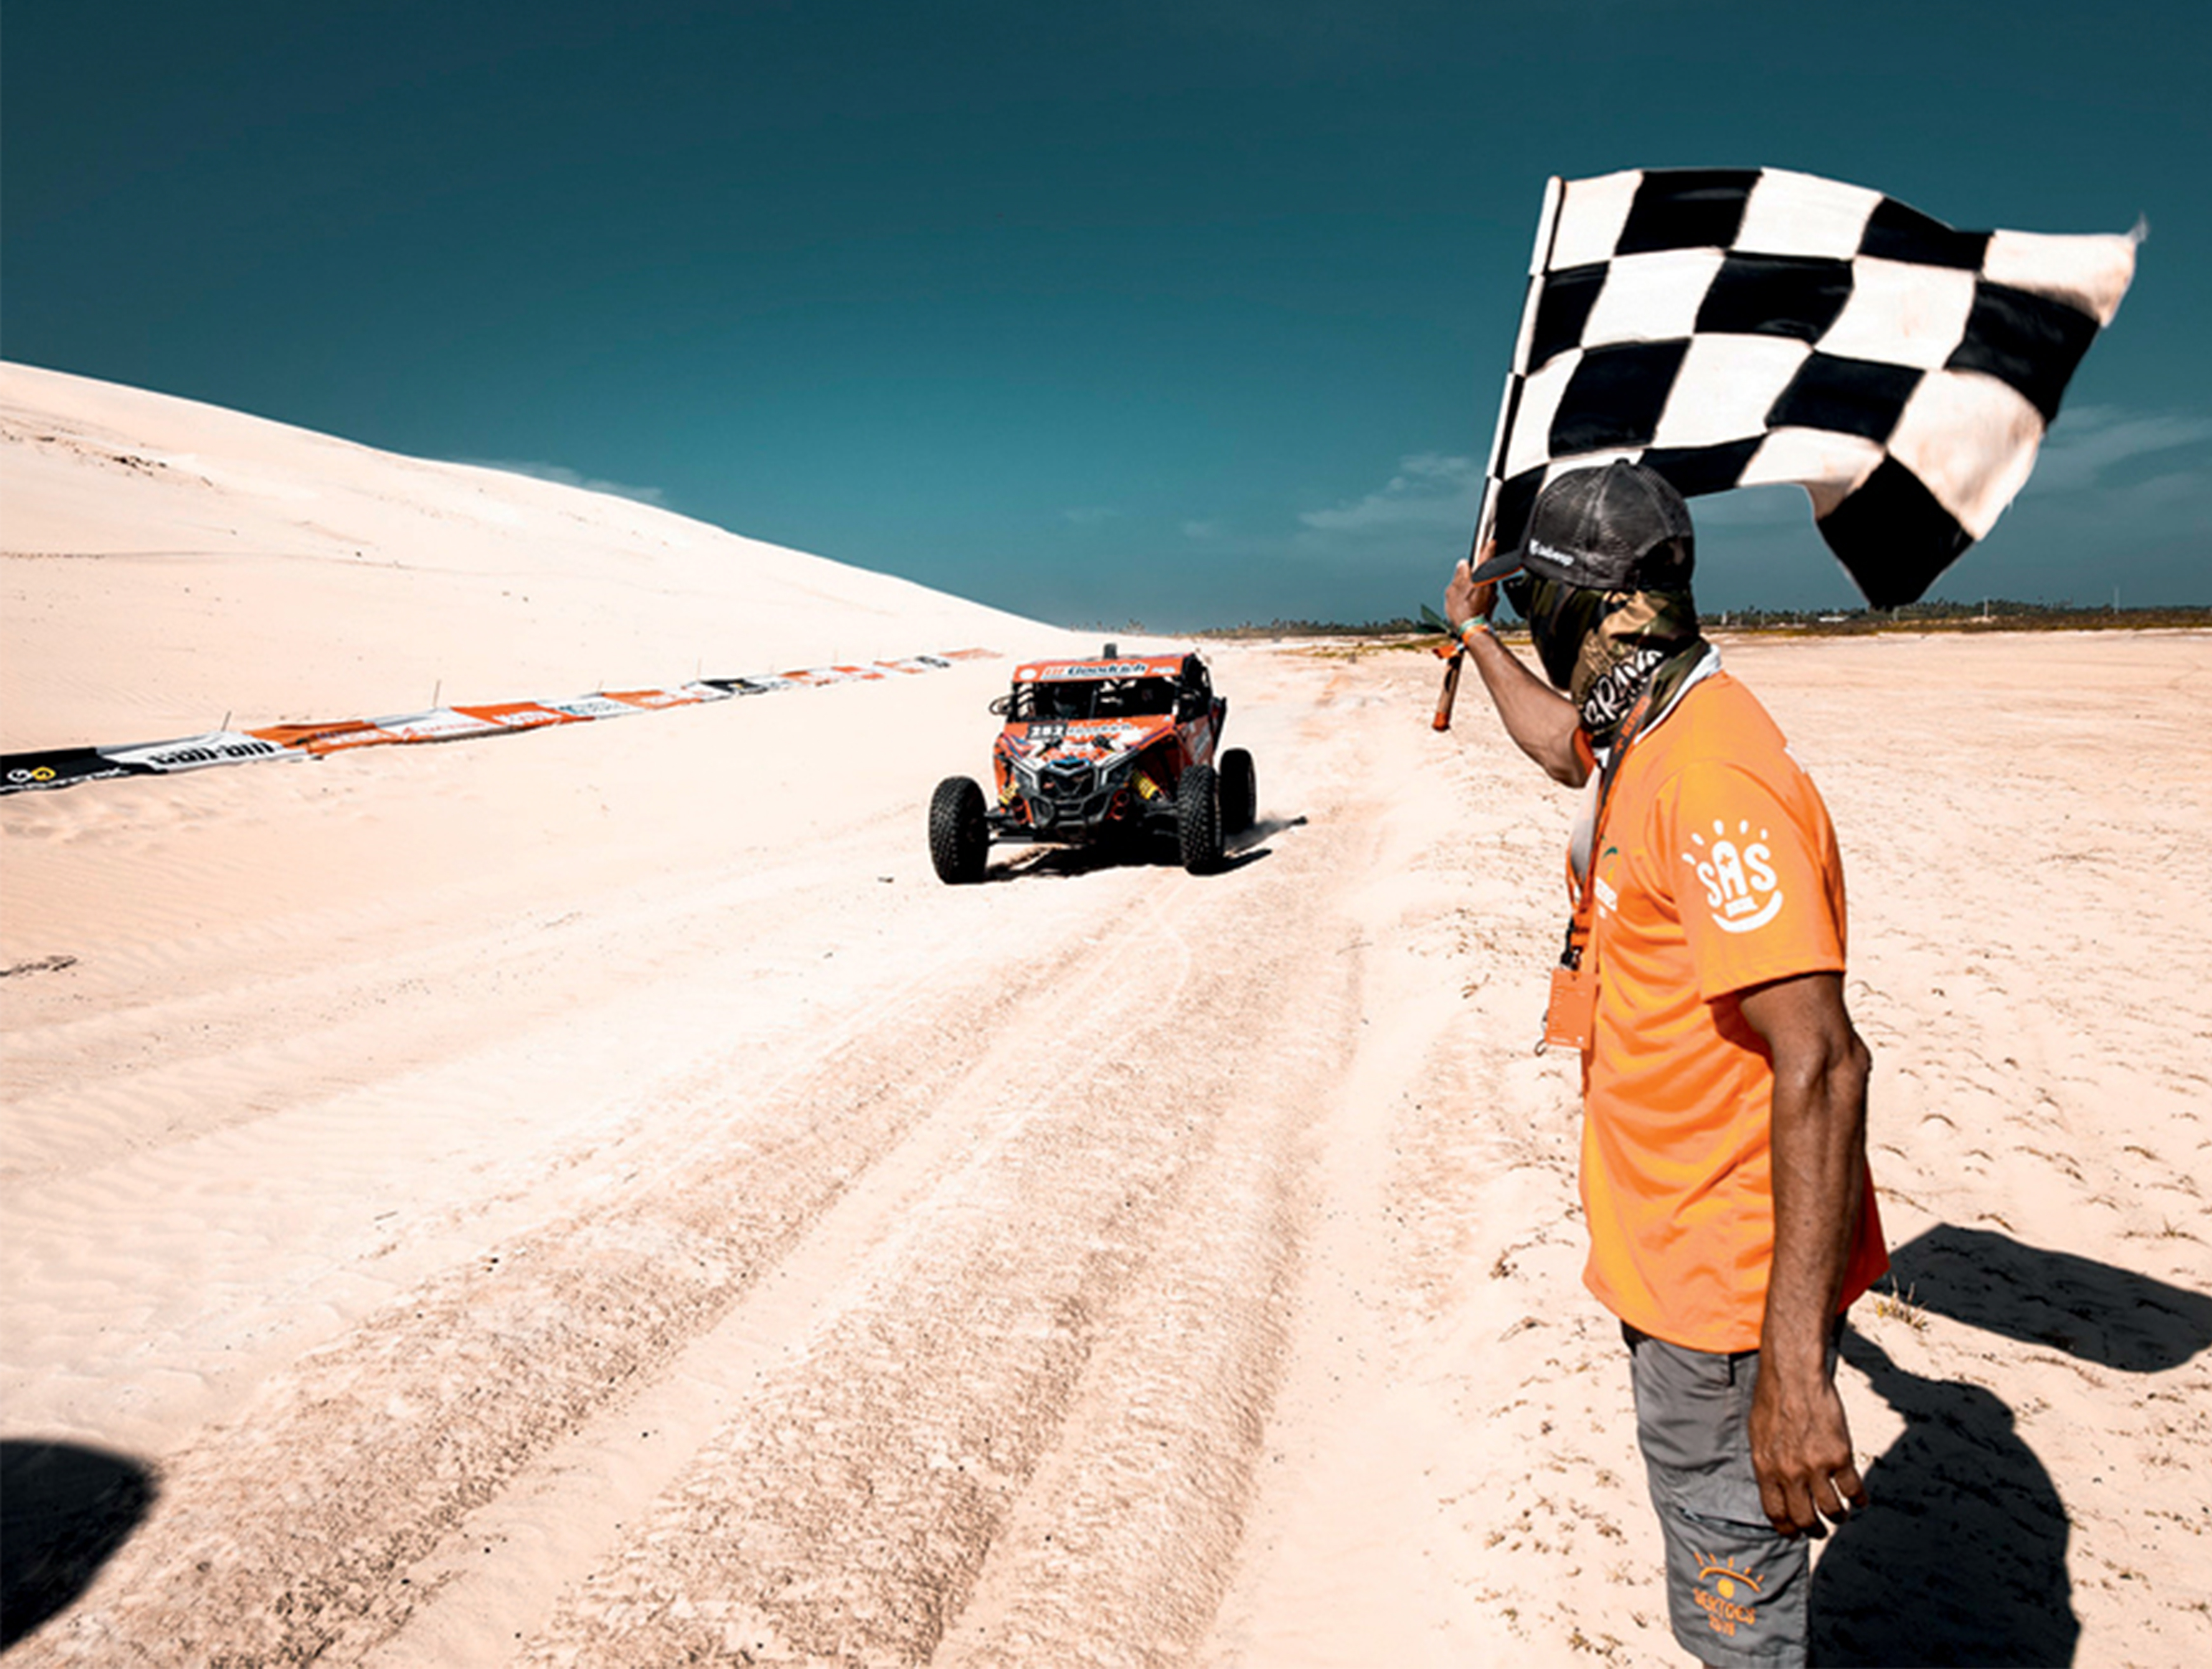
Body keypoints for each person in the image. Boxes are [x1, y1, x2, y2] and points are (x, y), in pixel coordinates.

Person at [1443, 461, 1889, 1669]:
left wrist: (1792, 1375)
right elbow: (1558, 743)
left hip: (1727, 1294)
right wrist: (1476, 636)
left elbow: (1825, 1064)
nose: (1534, 622)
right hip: (1678, 1265)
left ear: (1591, 610)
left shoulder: (1712, 778)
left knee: (1739, 1629)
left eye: (1537, 602)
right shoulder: (1648, 720)